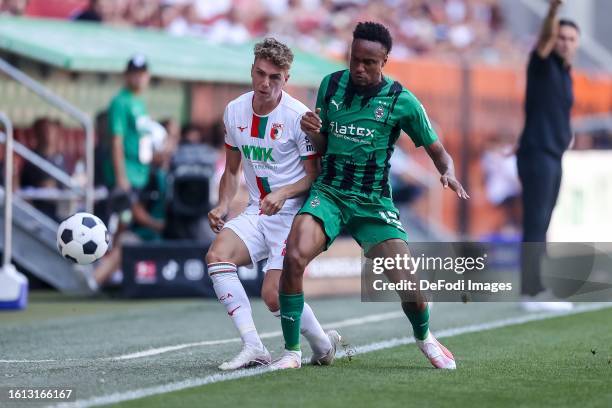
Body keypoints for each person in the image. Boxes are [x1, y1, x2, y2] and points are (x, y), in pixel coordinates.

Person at [271, 21, 469, 370]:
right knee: (294, 257)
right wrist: (314, 132)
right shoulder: (331, 85)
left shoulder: (401, 100)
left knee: (410, 290)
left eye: (369, 62)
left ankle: (424, 336)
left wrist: (448, 171)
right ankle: (291, 352)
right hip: (330, 193)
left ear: (385, 62)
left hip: (373, 204)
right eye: (354, 59)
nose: (359, 68)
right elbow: (322, 144)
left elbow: (437, 148)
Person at [205, 38, 340, 371]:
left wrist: (282, 193)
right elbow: (232, 169)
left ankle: (323, 344)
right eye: (260, 73)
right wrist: (223, 205)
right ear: (252, 69)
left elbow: (314, 176)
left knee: (273, 295)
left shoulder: (297, 116)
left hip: (293, 214)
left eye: (274, 77)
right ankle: (254, 346)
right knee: (217, 256)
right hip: (257, 208)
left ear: (286, 79)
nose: (265, 83)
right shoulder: (234, 111)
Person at [516, 0, 579, 312]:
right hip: (538, 154)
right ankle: (531, 291)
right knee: (535, 221)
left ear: (576, 44)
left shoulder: (566, 73)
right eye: (560, 37)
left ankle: (536, 286)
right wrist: (552, 14)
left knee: (543, 222)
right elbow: (543, 40)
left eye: (570, 39)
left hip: (551, 154)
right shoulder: (542, 63)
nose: (564, 43)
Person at [19, 118, 67, 221]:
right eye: (45, 130)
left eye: (51, 130)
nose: (48, 133)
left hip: (60, 210)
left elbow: (68, 184)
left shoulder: (61, 158)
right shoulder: (30, 159)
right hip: (38, 212)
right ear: (37, 133)